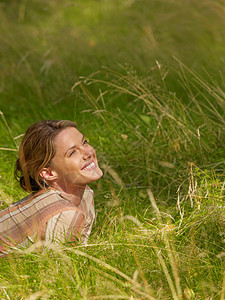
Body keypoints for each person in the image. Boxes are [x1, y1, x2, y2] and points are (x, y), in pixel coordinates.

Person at [0, 120, 103, 255]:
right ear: (48, 173)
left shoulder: (85, 195)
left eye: (84, 142)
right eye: (72, 153)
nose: (88, 153)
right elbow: (55, 271)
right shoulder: (65, 214)